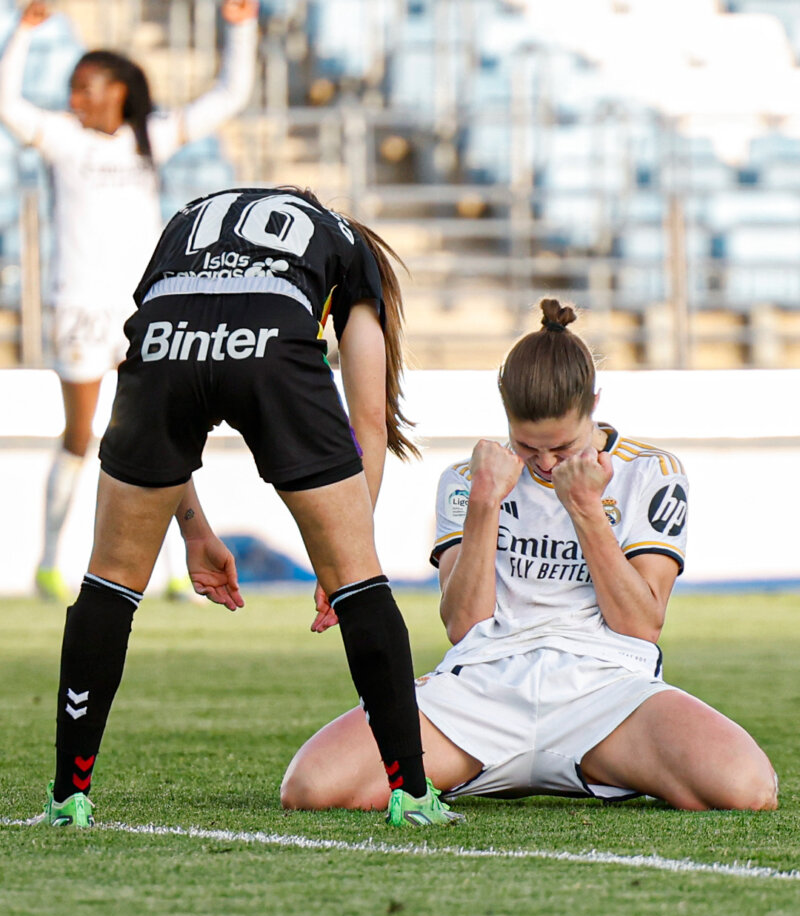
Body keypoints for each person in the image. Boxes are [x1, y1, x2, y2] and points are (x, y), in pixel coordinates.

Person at [34, 184, 461, 830]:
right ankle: (412, 793)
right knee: (361, 584)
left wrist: (193, 532)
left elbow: (159, 375)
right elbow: (368, 422)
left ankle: (68, 797)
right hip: (272, 346)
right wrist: (342, 555)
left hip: (162, 343)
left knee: (109, 581)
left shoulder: (188, 218)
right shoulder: (342, 240)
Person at [281, 298, 778, 814]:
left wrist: (586, 509)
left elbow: (640, 625)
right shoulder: (468, 478)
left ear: (594, 402)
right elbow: (464, 625)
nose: (543, 463)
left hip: (606, 688)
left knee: (747, 787)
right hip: (482, 688)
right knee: (311, 788)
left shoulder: (650, 470)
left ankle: (565, 765)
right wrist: (484, 502)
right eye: (526, 445)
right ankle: (495, 764)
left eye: (561, 448)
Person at [0, 0, 258, 601]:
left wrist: (239, 29)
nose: (73, 100)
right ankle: (47, 563)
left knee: (161, 433)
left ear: (117, 89)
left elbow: (227, 97)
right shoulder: (62, 140)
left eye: (83, 88)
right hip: (80, 310)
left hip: (147, 311)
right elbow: (7, 106)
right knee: (79, 435)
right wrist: (22, 33)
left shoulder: (150, 136)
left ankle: (171, 569)